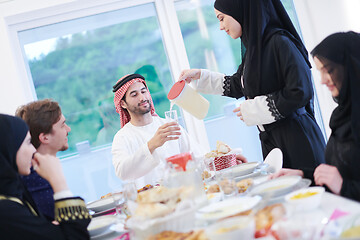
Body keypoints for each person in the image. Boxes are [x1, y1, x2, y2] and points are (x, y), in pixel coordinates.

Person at [178, 0, 325, 177]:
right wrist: (200, 76)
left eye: (222, 18)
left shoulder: (281, 42)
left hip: (298, 139)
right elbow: (239, 85)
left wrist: (256, 108)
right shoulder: (254, 50)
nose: (221, 26)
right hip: (272, 141)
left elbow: (301, 91)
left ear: (239, 11)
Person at [271, 32, 360, 201]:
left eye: (329, 70)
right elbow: (341, 173)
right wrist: (303, 175)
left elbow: (342, 182)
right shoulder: (342, 115)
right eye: (320, 72)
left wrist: (344, 186)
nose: (323, 80)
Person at [112, 74, 235, 189]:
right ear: (123, 103)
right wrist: (152, 145)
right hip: (152, 204)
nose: (142, 97)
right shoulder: (123, 137)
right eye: (134, 95)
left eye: (144, 91)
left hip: (185, 193)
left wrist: (226, 159)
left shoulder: (168, 124)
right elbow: (122, 172)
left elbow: (197, 159)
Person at [0, 114, 90, 239]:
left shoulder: (13, 190)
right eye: (28, 142)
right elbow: (76, 236)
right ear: (9, 147)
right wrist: (59, 182)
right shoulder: (6, 211)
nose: (33, 150)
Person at [15, 99, 71, 220]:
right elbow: (67, 223)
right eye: (62, 125)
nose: (68, 129)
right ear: (45, 137)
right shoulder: (35, 176)